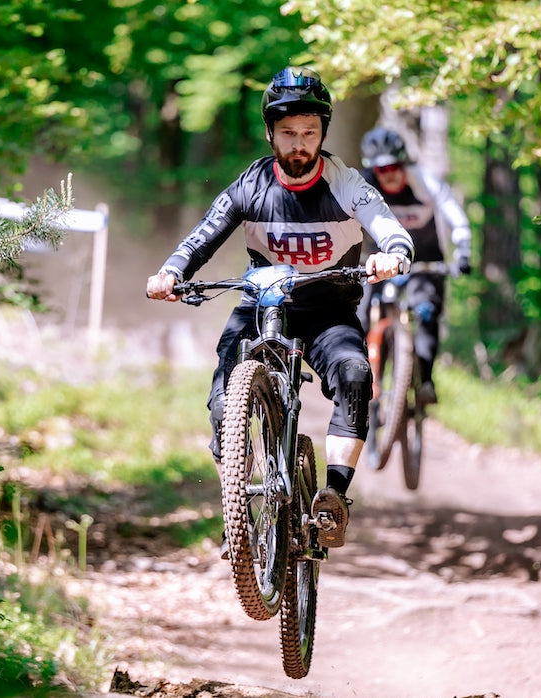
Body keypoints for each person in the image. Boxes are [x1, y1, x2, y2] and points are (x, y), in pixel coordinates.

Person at [145, 67, 414, 549]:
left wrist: (392, 254)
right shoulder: (250, 185)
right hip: (260, 308)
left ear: (323, 134)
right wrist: (171, 272)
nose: (299, 144)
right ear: (270, 133)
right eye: (288, 133)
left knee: (355, 375)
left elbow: (389, 227)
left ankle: (333, 499)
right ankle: (238, 508)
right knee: (225, 400)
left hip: (329, 311)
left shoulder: (346, 183)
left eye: (309, 133)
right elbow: (204, 235)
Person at [357, 127, 473, 405]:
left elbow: (453, 213)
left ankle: (425, 381)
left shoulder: (423, 181)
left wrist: (463, 251)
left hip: (425, 258)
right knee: (359, 310)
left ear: (404, 164)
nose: (389, 174)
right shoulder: (362, 186)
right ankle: (354, 374)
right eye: (381, 169)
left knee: (426, 310)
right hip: (380, 258)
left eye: (394, 166)